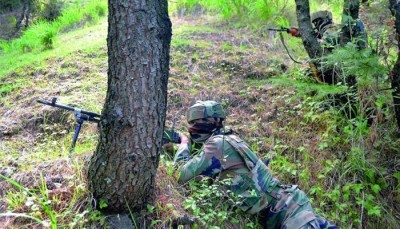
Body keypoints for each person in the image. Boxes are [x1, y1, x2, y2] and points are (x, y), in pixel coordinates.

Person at [173, 100, 337, 229]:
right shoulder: (228, 139)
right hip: (288, 206)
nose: (192, 129)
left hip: (289, 211)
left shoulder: (218, 144)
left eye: (194, 125)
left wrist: (183, 144)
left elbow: (181, 174)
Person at [289, 10, 367, 51]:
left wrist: (305, 36)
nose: (316, 26)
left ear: (321, 21)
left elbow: (326, 42)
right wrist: (301, 33)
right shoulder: (335, 27)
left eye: (316, 23)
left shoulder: (330, 29)